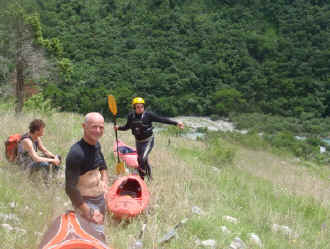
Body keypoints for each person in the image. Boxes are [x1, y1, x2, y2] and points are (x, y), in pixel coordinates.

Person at [114, 97, 184, 180]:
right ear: (134, 108)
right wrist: (118, 128)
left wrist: (176, 123)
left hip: (148, 141)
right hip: (138, 141)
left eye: (142, 107)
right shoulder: (131, 116)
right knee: (141, 160)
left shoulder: (148, 115)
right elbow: (127, 127)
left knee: (142, 158)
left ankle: (141, 177)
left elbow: (161, 119)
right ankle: (149, 177)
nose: (140, 109)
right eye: (138, 107)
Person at [65, 112, 109, 241]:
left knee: (98, 232)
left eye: (101, 127)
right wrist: (88, 211)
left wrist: (105, 184)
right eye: (94, 126)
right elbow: (70, 188)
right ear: (84, 126)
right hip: (86, 201)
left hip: (100, 198)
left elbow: (103, 166)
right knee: (96, 238)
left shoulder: (96, 145)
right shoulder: (76, 153)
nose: (98, 130)